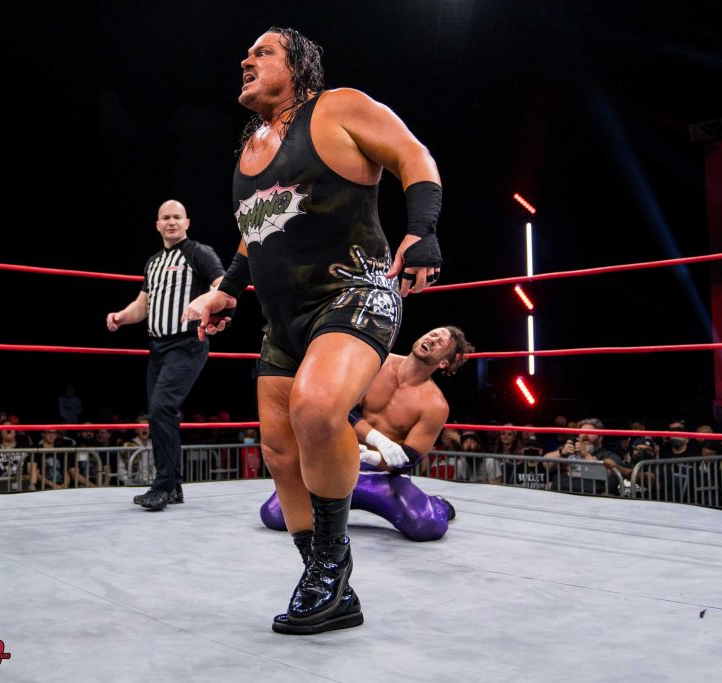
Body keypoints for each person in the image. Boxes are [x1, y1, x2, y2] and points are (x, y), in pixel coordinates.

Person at [185, 27, 443, 634]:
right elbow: (256, 230)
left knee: (318, 406)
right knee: (279, 450)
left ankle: (330, 565)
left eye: (263, 52)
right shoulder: (250, 149)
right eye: (246, 52)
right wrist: (228, 288)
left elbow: (413, 155)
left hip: (355, 291)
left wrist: (423, 230)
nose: (246, 59)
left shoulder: (338, 108)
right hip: (284, 320)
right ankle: (329, 588)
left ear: (297, 65)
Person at [259, 326, 471, 541]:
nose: (432, 339)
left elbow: (409, 458)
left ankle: (439, 504)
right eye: (433, 333)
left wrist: (372, 456)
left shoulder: (434, 405)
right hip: (338, 465)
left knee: (427, 526)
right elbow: (341, 408)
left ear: (443, 363)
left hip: (384, 479)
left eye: (440, 342)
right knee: (274, 515)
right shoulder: (378, 363)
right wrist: (377, 439)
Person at [106, 200, 225, 511]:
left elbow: (224, 285)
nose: (171, 222)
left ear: (187, 222)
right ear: (157, 225)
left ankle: (162, 487)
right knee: (159, 414)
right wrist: (121, 316)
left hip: (188, 343)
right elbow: (141, 306)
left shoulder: (199, 252)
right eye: (165, 218)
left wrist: (203, 300)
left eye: (176, 217)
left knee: (161, 408)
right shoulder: (154, 262)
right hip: (158, 348)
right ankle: (173, 486)